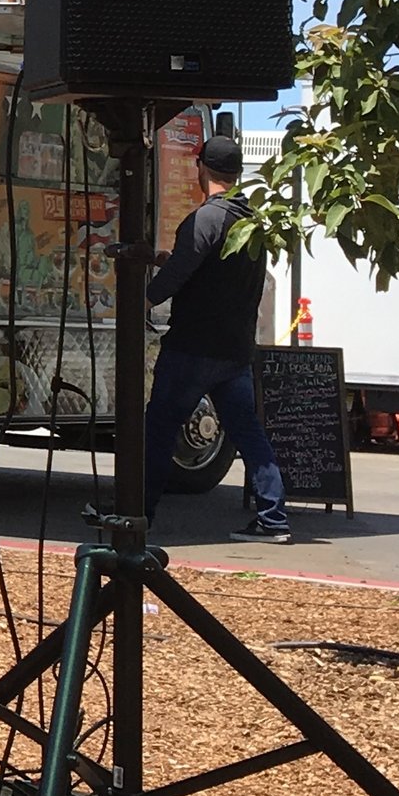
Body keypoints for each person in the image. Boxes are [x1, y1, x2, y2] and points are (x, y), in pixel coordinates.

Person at [144, 130, 289, 539]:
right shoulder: (252, 223)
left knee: (159, 427)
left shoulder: (206, 218)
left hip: (193, 347)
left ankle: (137, 513)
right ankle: (274, 519)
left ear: (201, 168)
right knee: (247, 432)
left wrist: (142, 300)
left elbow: (178, 275)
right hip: (235, 350)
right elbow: (218, 273)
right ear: (238, 173)